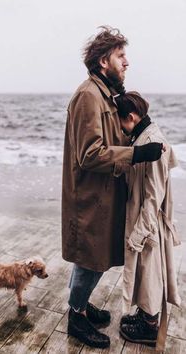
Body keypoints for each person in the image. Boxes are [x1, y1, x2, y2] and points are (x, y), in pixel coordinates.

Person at [62, 26, 164, 349]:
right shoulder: (87, 96)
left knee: (97, 259)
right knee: (89, 260)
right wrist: (136, 154)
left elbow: (112, 138)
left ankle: (82, 303)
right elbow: (89, 154)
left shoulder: (104, 95)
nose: (126, 62)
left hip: (103, 198)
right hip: (89, 200)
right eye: (121, 56)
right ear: (103, 60)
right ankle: (76, 315)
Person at [115, 91, 181, 351]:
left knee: (150, 272)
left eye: (121, 122)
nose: (121, 128)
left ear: (131, 117)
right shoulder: (145, 135)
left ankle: (150, 326)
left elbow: (155, 195)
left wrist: (139, 233)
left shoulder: (153, 141)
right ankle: (145, 316)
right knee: (144, 272)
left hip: (148, 220)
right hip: (144, 216)